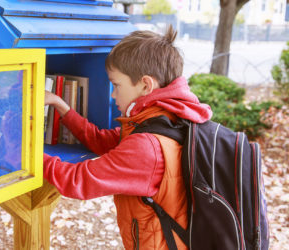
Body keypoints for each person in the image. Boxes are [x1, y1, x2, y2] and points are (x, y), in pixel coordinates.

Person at [43, 25, 212, 249]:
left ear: (145, 85)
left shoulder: (147, 147)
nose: (113, 95)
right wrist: (60, 105)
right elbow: (103, 140)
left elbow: (77, 180)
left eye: (116, 85)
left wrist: (24, 150)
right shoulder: (169, 116)